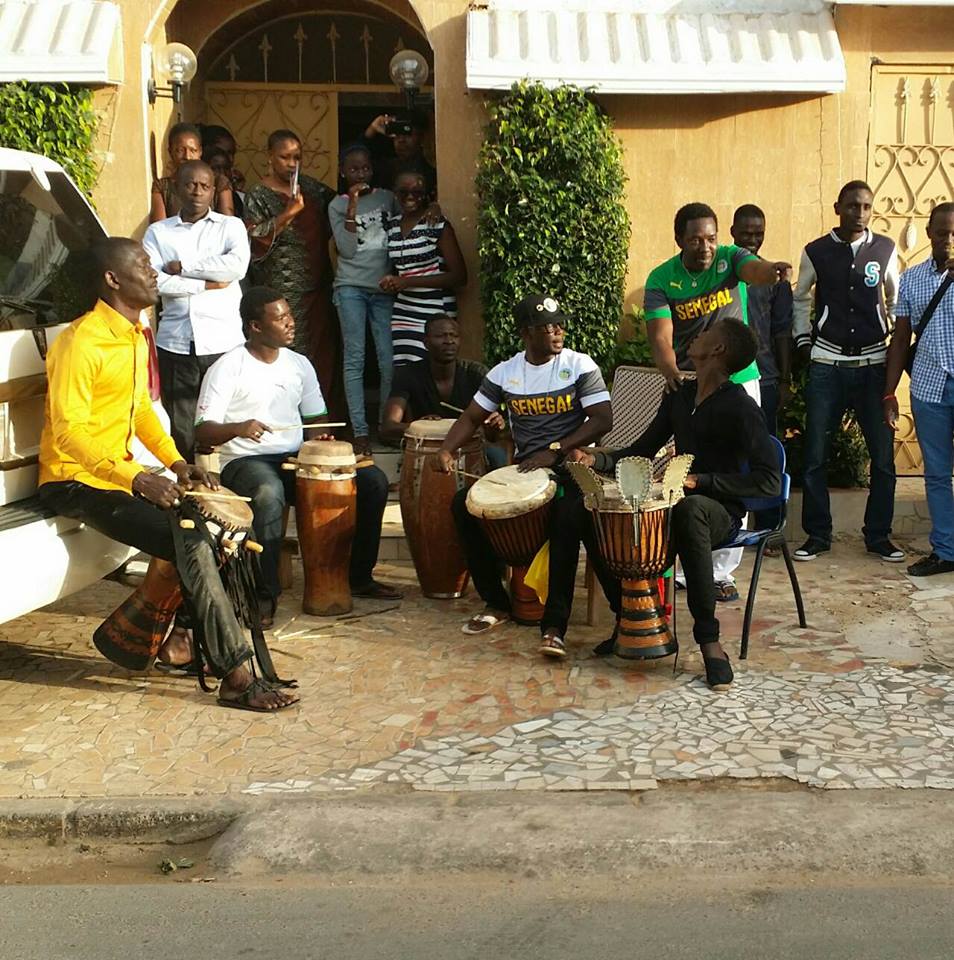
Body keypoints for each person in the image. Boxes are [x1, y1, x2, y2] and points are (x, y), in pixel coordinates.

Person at [36, 238, 297, 712]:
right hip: (74, 482)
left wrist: (176, 462)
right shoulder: (81, 341)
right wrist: (137, 478)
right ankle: (236, 673)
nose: (154, 272)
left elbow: (140, 413)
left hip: (115, 476)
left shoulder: (137, 334)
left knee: (210, 531)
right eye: (142, 265)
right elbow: (70, 434)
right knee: (193, 538)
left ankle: (171, 640)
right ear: (113, 279)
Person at [568, 317, 780, 691]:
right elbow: (641, 452)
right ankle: (628, 620)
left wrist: (703, 481)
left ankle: (709, 641)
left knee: (691, 508)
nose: (695, 336)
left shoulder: (740, 406)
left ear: (717, 350)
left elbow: (769, 481)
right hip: (675, 504)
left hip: (719, 512)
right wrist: (595, 459)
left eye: (704, 334)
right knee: (593, 513)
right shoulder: (679, 396)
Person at [195, 286, 401, 627]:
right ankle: (264, 593)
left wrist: (319, 440)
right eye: (280, 318)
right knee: (268, 493)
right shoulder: (228, 366)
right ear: (255, 327)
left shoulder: (299, 364)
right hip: (246, 461)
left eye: (289, 315)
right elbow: (202, 431)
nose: (290, 323)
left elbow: (316, 420)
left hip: (294, 457)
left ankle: (358, 576)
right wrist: (237, 427)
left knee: (372, 482)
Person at [433, 294, 613, 658]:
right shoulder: (505, 373)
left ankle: (554, 626)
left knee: (566, 518)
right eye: (548, 326)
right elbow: (470, 417)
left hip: (571, 468)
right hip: (528, 469)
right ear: (526, 333)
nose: (558, 330)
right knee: (463, 507)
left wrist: (558, 448)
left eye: (560, 322)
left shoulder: (579, 365)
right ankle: (496, 602)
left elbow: (602, 419)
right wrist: (447, 449)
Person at [644, 201, 791, 601]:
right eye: (696, 239)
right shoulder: (662, 278)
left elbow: (754, 269)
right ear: (679, 240)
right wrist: (670, 369)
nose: (706, 246)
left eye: (711, 238)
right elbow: (660, 334)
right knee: (685, 469)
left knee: (733, 469)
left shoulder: (728, 260)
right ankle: (686, 566)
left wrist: (772, 270)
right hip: (689, 378)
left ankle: (722, 572)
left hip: (739, 381)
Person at [792, 179, 903, 563]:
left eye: (867, 207)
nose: (860, 213)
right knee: (815, 456)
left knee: (883, 458)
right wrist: (803, 340)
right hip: (828, 365)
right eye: (853, 206)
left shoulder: (886, 249)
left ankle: (879, 536)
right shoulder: (817, 251)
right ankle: (817, 536)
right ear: (838, 207)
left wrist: (891, 346)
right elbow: (800, 297)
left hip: (873, 365)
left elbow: (895, 300)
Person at [143, 160, 250, 462]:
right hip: (176, 341)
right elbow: (153, 282)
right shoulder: (158, 233)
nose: (197, 192)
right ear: (177, 189)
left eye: (204, 186)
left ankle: (228, 485)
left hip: (223, 341)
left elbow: (236, 267)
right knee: (181, 426)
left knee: (226, 418)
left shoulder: (231, 226)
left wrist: (185, 269)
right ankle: (188, 492)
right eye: (190, 185)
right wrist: (205, 285)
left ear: (214, 192)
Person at [244, 129, 342, 418]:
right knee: (286, 356)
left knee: (322, 357)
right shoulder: (258, 193)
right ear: (270, 157)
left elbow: (341, 204)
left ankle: (324, 422)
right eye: (285, 157)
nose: (291, 163)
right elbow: (253, 237)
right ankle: (287, 420)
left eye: (297, 157)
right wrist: (289, 213)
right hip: (280, 293)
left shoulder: (313, 190)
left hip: (317, 290)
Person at [883, 202, 954, 577]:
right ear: (929, 233)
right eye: (941, 232)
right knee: (937, 474)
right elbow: (900, 338)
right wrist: (890, 391)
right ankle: (945, 550)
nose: (948, 239)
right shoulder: (912, 279)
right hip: (929, 388)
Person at [328, 144, 398, 457]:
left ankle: (386, 425)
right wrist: (353, 205)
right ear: (343, 172)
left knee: (387, 358)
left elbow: (402, 230)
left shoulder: (387, 198)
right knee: (355, 359)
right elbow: (346, 249)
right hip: (350, 287)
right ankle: (360, 431)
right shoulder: (336, 205)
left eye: (365, 168)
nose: (360, 174)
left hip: (383, 288)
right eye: (354, 169)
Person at [730, 203, 794, 531]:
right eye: (746, 233)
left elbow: (783, 330)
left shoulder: (775, 279)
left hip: (764, 377)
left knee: (765, 451)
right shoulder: (721, 274)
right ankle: (729, 522)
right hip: (726, 378)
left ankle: (770, 525)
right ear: (732, 234)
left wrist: (784, 379)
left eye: (759, 234)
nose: (753, 239)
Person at [380, 314, 507, 467]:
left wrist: (493, 424)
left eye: (454, 335)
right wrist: (419, 426)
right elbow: (388, 426)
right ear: (426, 343)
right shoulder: (408, 374)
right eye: (441, 336)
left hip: (469, 444)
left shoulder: (476, 373)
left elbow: (493, 436)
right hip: (426, 447)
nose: (449, 341)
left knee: (498, 456)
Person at [383, 168, 467, 365]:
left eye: (418, 193)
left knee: (432, 369)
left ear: (427, 195)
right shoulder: (392, 225)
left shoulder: (437, 225)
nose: (411, 197)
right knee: (405, 368)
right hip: (404, 310)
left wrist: (407, 282)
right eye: (404, 192)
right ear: (395, 193)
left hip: (435, 309)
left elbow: (460, 277)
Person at [150, 122, 233, 223]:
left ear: (200, 152)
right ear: (170, 152)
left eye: (193, 150)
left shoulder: (219, 182)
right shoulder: (162, 187)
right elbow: (159, 229)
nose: (187, 157)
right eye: (180, 150)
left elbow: (228, 224)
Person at [363, 112, 437, 196]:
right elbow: (357, 159)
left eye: (407, 134)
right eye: (397, 134)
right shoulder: (386, 168)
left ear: (422, 137)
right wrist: (372, 129)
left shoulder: (431, 172)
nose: (401, 140)